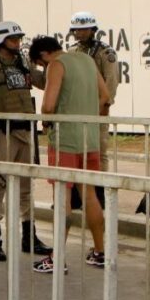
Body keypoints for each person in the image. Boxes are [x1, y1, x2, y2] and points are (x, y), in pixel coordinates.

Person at [0, 22, 52, 262]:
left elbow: (44, 82)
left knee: (26, 188)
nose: (17, 43)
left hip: (25, 133)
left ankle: (29, 237)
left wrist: (51, 64)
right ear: (0, 40)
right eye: (13, 39)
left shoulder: (23, 63)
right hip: (2, 136)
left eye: (18, 38)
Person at [28, 36, 109, 274]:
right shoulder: (86, 59)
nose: (44, 69)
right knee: (90, 195)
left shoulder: (56, 65)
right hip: (90, 138)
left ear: (43, 55)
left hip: (65, 140)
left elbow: (49, 105)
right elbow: (105, 97)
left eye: (41, 65)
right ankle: (100, 251)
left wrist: (46, 120)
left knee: (63, 199)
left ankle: (57, 257)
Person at [69, 12, 119, 172]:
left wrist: (105, 104)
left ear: (93, 30)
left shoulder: (105, 51)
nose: (80, 33)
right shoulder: (72, 51)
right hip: (76, 107)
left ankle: (100, 187)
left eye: (84, 29)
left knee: (99, 149)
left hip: (97, 105)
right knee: (77, 149)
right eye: (76, 30)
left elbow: (111, 79)